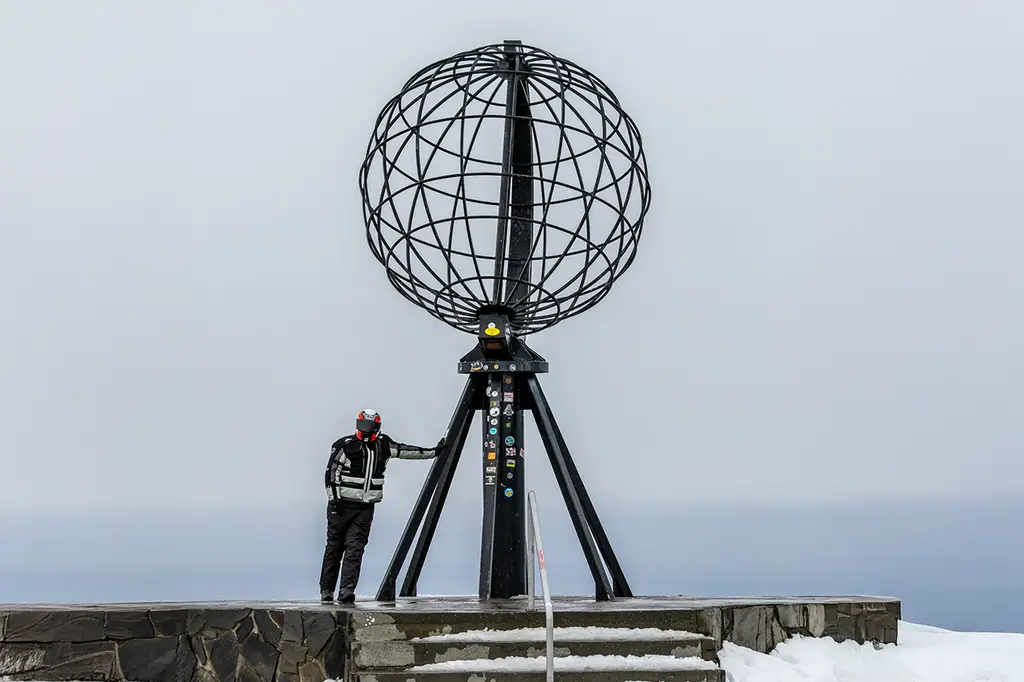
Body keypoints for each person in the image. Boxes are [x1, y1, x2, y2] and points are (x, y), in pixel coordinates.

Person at [319, 408, 445, 603]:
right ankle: (327, 590)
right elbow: (331, 473)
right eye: (363, 427)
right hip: (341, 506)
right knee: (334, 548)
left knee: (355, 548)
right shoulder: (345, 445)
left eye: (369, 428)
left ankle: (346, 590)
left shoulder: (383, 445)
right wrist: (334, 500)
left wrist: (434, 452)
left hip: (366, 507)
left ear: (377, 427)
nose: (366, 432)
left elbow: (405, 450)